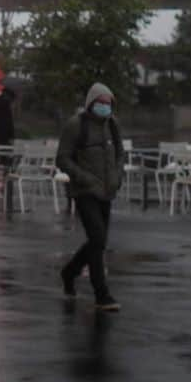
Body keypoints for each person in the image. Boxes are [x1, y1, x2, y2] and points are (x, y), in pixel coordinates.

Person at [55, 82, 125, 312]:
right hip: (84, 191)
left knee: (99, 241)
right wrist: (84, 178)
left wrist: (117, 176)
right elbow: (62, 159)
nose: (105, 107)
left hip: (107, 191)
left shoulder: (113, 126)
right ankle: (101, 294)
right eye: (101, 103)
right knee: (97, 237)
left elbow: (119, 154)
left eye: (108, 103)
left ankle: (70, 272)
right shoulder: (76, 125)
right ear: (91, 103)